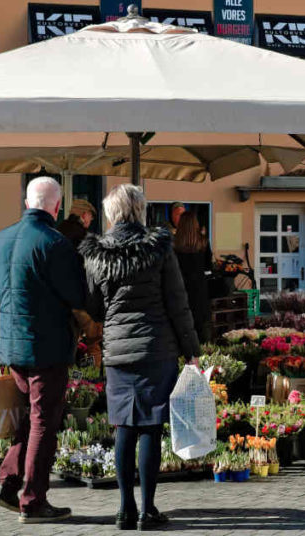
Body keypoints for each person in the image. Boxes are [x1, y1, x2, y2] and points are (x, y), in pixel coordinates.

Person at [80, 185, 200, 531]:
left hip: (118, 351)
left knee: (123, 427)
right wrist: (191, 350)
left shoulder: (96, 253)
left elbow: (91, 305)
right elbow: (178, 303)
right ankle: (148, 510)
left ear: (111, 214)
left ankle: (124, 509)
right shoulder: (159, 248)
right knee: (150, 426)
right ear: (139, 210)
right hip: (156, 348)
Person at [0, 177, 86, 524]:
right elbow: (76, 296)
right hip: (47, 348)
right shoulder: (55, 244)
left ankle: (9, 483)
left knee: (31, 418)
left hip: (12, 348)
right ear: (57, 207)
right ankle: (33, 500)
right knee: (44, 422)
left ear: (27, 203)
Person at [57, 199, 104, 366]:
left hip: (58, 299)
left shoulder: (56, 232)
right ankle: (92, 380)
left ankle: (69, 383)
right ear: (84, 215)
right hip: (82, 301)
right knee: (93, 341)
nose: (90, 222)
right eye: (90, 218)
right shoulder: (85, 238)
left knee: (68, 344)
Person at [173, 212, 214, 342]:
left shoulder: (175, 243)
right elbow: (209, 266)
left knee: (181, 324)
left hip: (180, 286)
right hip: (199, 287)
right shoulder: (203, 242)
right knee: (201, 324)